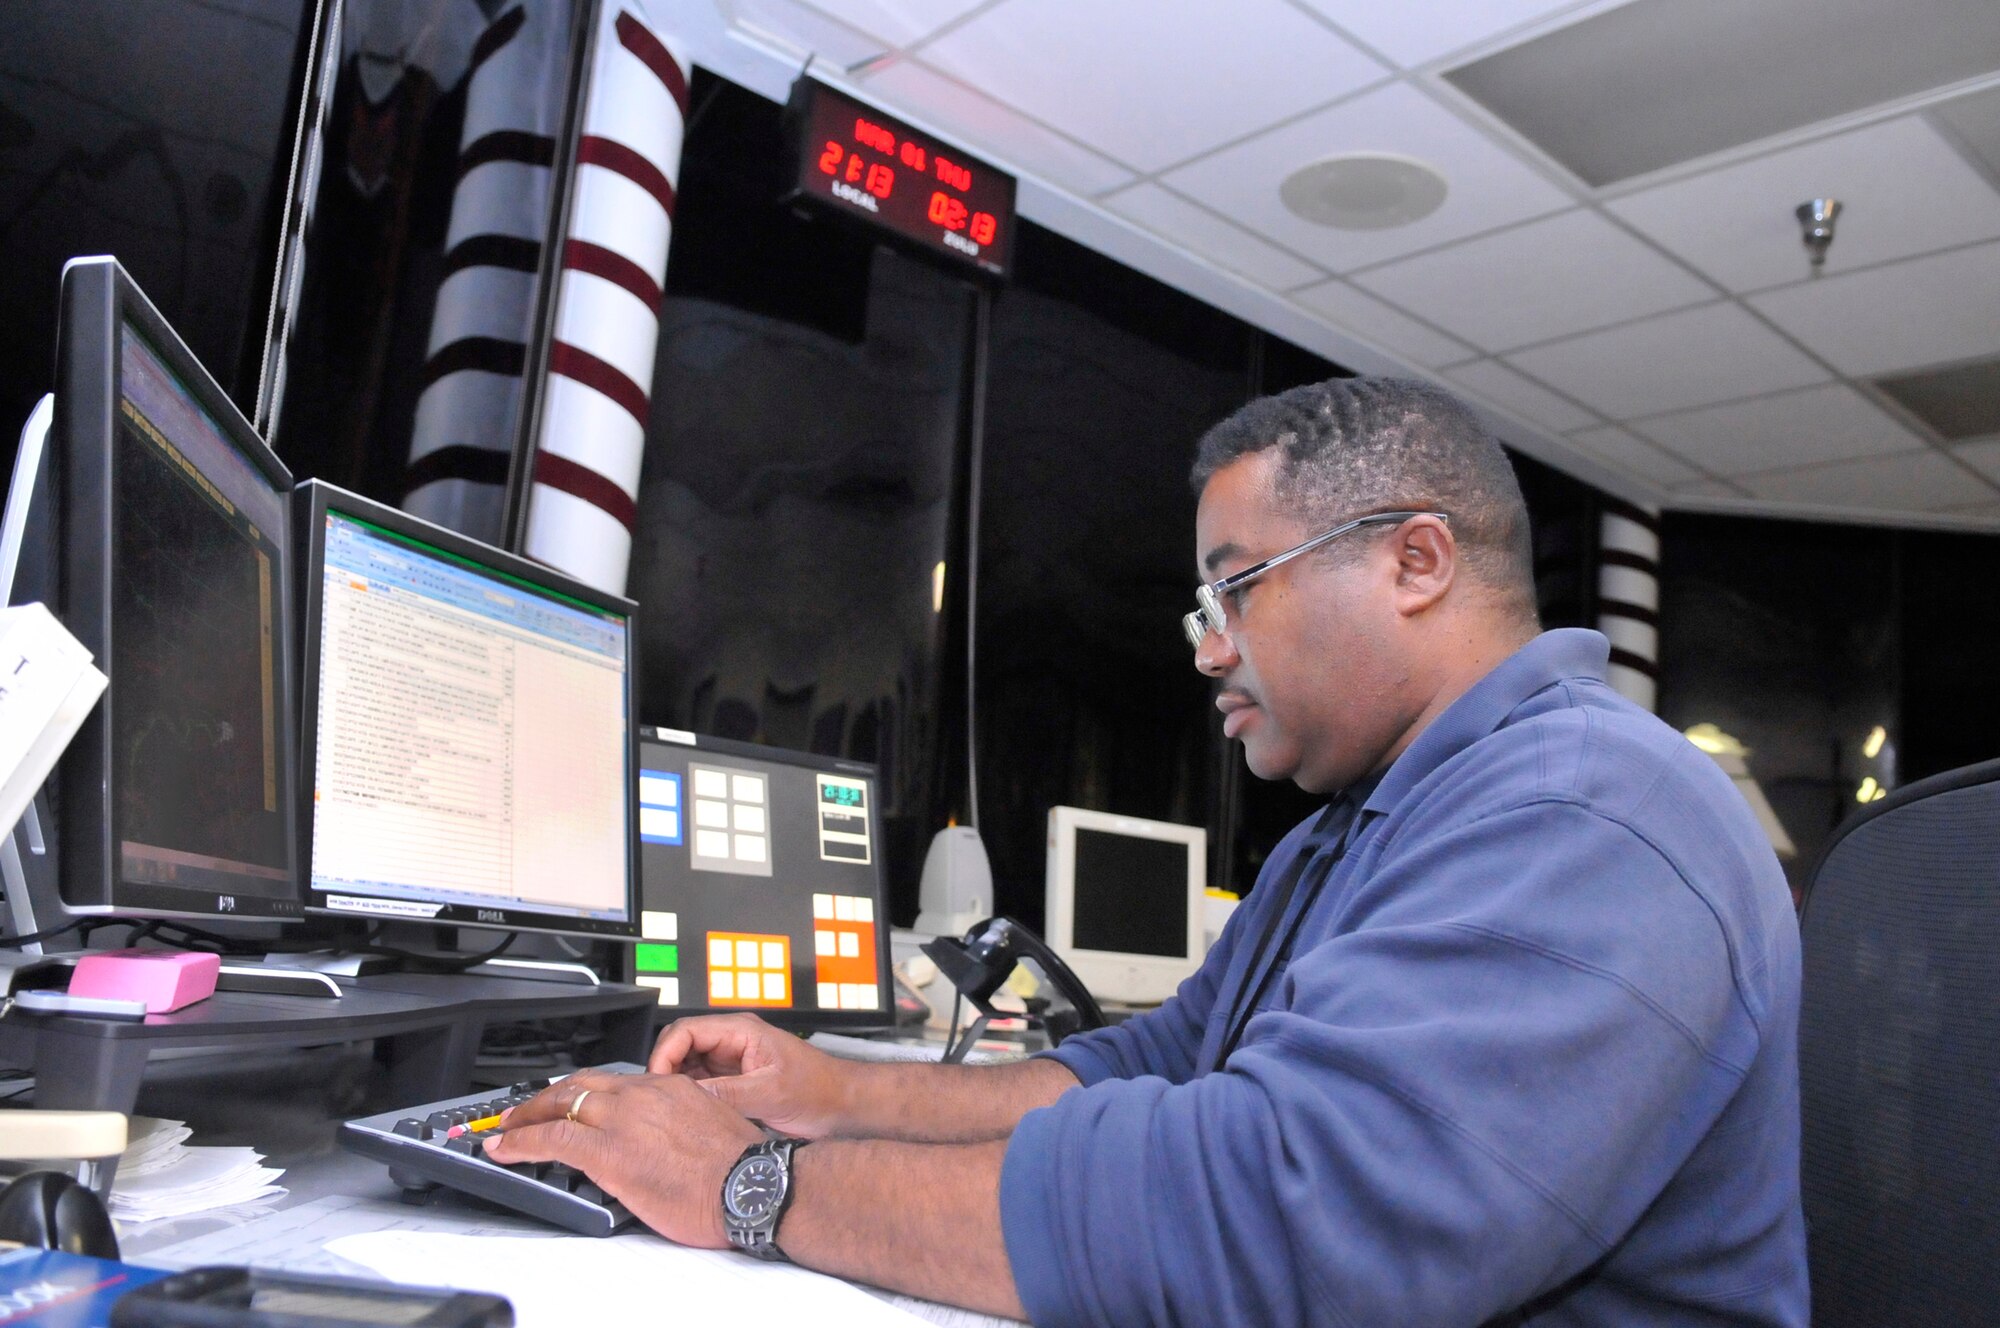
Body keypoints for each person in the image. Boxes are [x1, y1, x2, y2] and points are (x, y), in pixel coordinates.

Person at [488, 376, 1809, 1326]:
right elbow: (1151, 1070)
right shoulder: (1349, 834)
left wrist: (751, 1184)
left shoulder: (1591, 814)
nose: (1208, 646)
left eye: (1236, 588)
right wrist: (830, 1091)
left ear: (1416, 560)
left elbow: (1281, 1220)